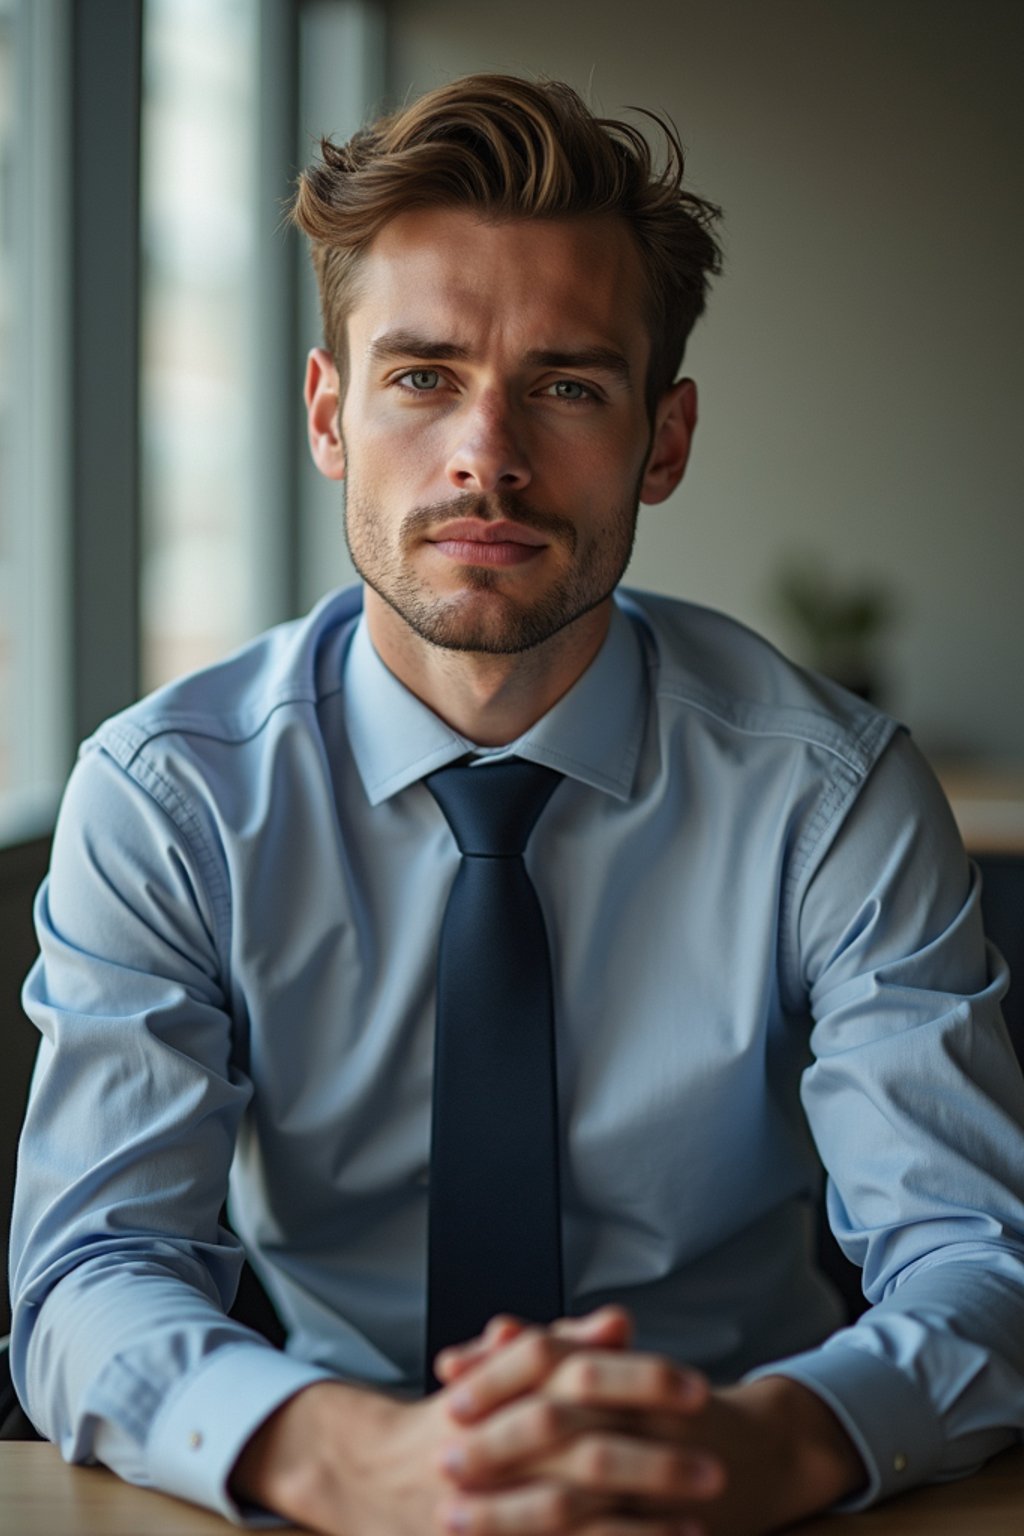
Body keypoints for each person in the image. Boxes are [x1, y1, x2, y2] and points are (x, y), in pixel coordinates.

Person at [10, 73, 1024, 1536]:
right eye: (422, 376)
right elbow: (89, 1274)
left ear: (662, 440)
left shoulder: (832, 795)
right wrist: (345, 1458)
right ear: (328, 414)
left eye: (565, 385)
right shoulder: (170, 800)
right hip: (314, 1487)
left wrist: (768, 1448)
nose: (488, 452)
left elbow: (979, 1258)